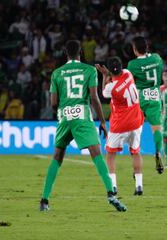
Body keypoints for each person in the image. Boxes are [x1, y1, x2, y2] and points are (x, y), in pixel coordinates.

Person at [39, 40, 126, 212]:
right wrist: (101, 121)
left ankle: (44, 200)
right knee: (96, 153)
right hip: (82, 115)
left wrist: (63, 113)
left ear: (65, 53)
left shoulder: (56, 73)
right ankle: (111, 193)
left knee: (57, 157)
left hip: (64, 116)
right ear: (80, 52)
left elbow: (53, 102)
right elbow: (94, 98)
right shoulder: (89, 70)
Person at [96, 57, 145, 196]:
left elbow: (105, 92)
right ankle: (139, 186)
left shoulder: (111, 87)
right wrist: (110, 74)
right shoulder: (128, 73)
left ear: (110, 70)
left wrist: (104, 75)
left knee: (110, 154)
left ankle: (113, 186)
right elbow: (118, 77)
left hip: (120, 124)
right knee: (135, 152)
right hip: (136, 121)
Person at [127, 36, 165, 174]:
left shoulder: (132, 64)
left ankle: (136, 164)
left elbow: (130, 82)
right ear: (147, 47)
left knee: (136, 130)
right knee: (157, 129)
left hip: (140, 98)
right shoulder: (157, 58)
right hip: (155, 96)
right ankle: (158, 153)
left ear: (135, 49)